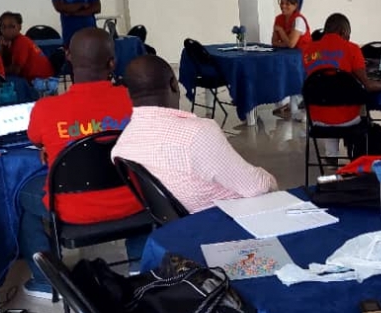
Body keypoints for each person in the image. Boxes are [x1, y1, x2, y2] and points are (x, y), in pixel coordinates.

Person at [19, 28, 144, 299]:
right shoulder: (135, 100)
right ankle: (140, 268)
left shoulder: (46, 108)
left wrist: (54, 147)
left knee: (23, 198)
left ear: (68, 57)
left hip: (72, 211)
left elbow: (35, 138)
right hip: (134, 203)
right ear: (112, 63)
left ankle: (45, 282)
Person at [112, 55, 278, 214]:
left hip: (179, 226)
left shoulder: (122, 146)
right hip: (226, 220)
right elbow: (256, 187)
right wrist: (271, 181)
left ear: (129, 94)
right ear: (174, 85)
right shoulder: (196, 134)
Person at [302, 13, 381, 156]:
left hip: (316, 120)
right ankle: (357, 154)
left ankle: (331, 154)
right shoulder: (352, 49)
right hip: (348, 120)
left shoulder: (308, 50)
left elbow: (314, 81)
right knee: (356, 98)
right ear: (343, 31)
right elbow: (368, 85)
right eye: (348, 35)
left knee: (328, 94)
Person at [0, 12, 55, 81]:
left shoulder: (21, 42)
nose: (7, 30)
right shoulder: (11, 42)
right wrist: (3, 48)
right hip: (37, 79)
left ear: (20, 27)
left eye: (12, 26)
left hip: (42, 81)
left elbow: (15, 70)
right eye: (3, 27)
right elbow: (4, 63)